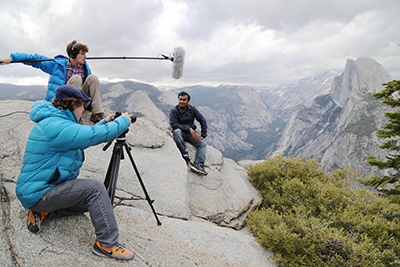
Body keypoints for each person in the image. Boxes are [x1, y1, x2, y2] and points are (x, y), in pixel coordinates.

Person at [16, 85, 134, 260]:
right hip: (39, 193)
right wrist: (123, 121)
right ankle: (107, 244)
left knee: (95, 203)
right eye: (83, 106)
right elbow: (92, 136)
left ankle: (42, 211)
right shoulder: (55, 126)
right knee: (95, 189)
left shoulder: (55, 121)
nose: (84, 110)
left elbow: (80, 136)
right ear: (73, 104)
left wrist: (105, 123)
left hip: (44, 189)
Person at [0, 40, 105, 123]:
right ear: (73, 54)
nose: (85, 57)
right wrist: (11, 59)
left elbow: (91, 89)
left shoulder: (85, 67)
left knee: (93, 78)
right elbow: (34, 58)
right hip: (64, 103)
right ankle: (73, 116)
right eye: (82, 54)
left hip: (81, 102)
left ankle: (97, 114)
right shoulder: (56, 65)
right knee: (76, 78)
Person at [169, 91, 208, 175]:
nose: (182, 101)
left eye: (184, 100)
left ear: (188, 101)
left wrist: (203, 135)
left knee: (202, 144)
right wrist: (189, 128)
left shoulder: (192, 109)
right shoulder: (174, 110)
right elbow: (173, 124)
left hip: (190, 135)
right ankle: (184, 154)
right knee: (177, 131)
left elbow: (202, 120)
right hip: (180, 133)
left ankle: (198, 164)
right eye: (180, 99)